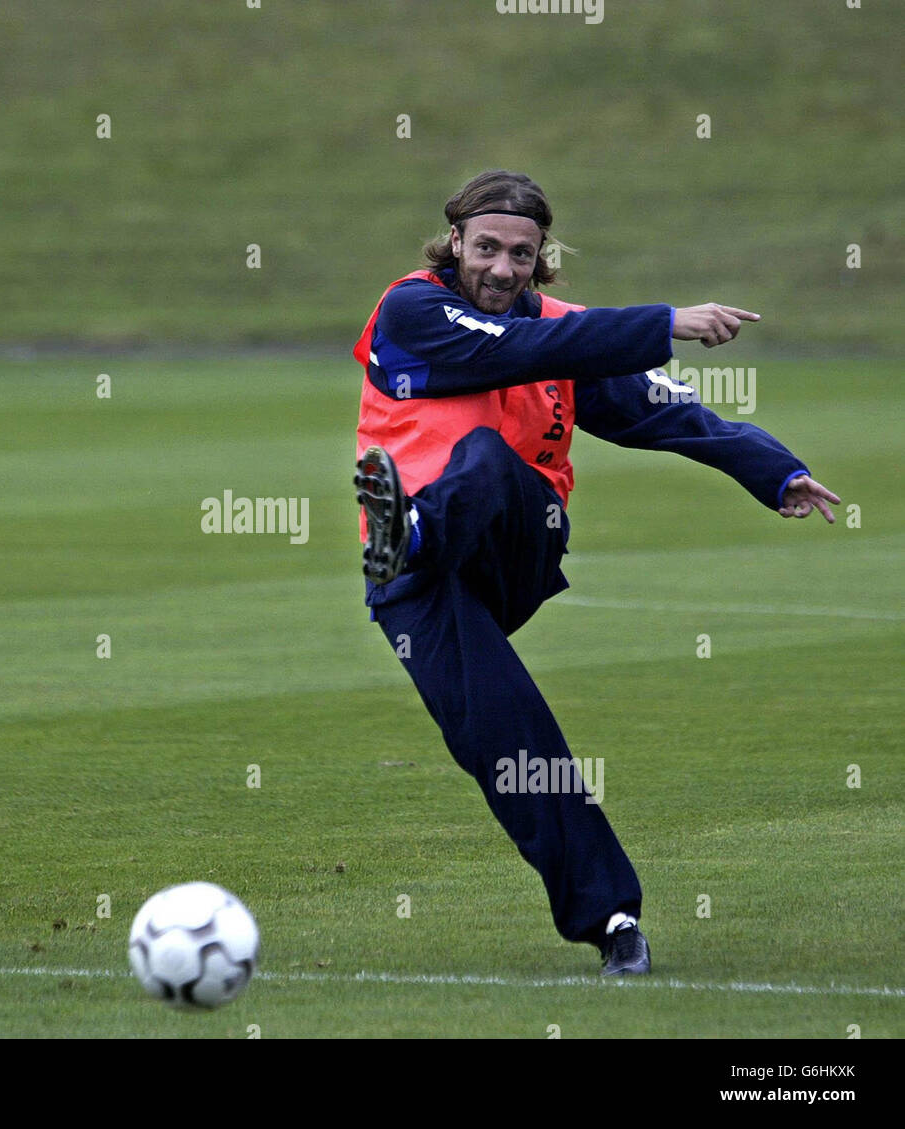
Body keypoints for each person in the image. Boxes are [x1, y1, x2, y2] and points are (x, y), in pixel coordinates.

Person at [352, 170, 840, 976]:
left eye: (521, 253)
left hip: (513, 543)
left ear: (541, 257)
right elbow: (523, 349)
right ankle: (611, 919)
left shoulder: (563, 332)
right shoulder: (414, 310)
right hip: (416, 583)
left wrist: (774, 470)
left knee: (485, 460)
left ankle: (412, 528)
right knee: (510, 744)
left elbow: (663, 408)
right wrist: (665, 320)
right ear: (455, 243)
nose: (502, 269)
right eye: (486, 249)